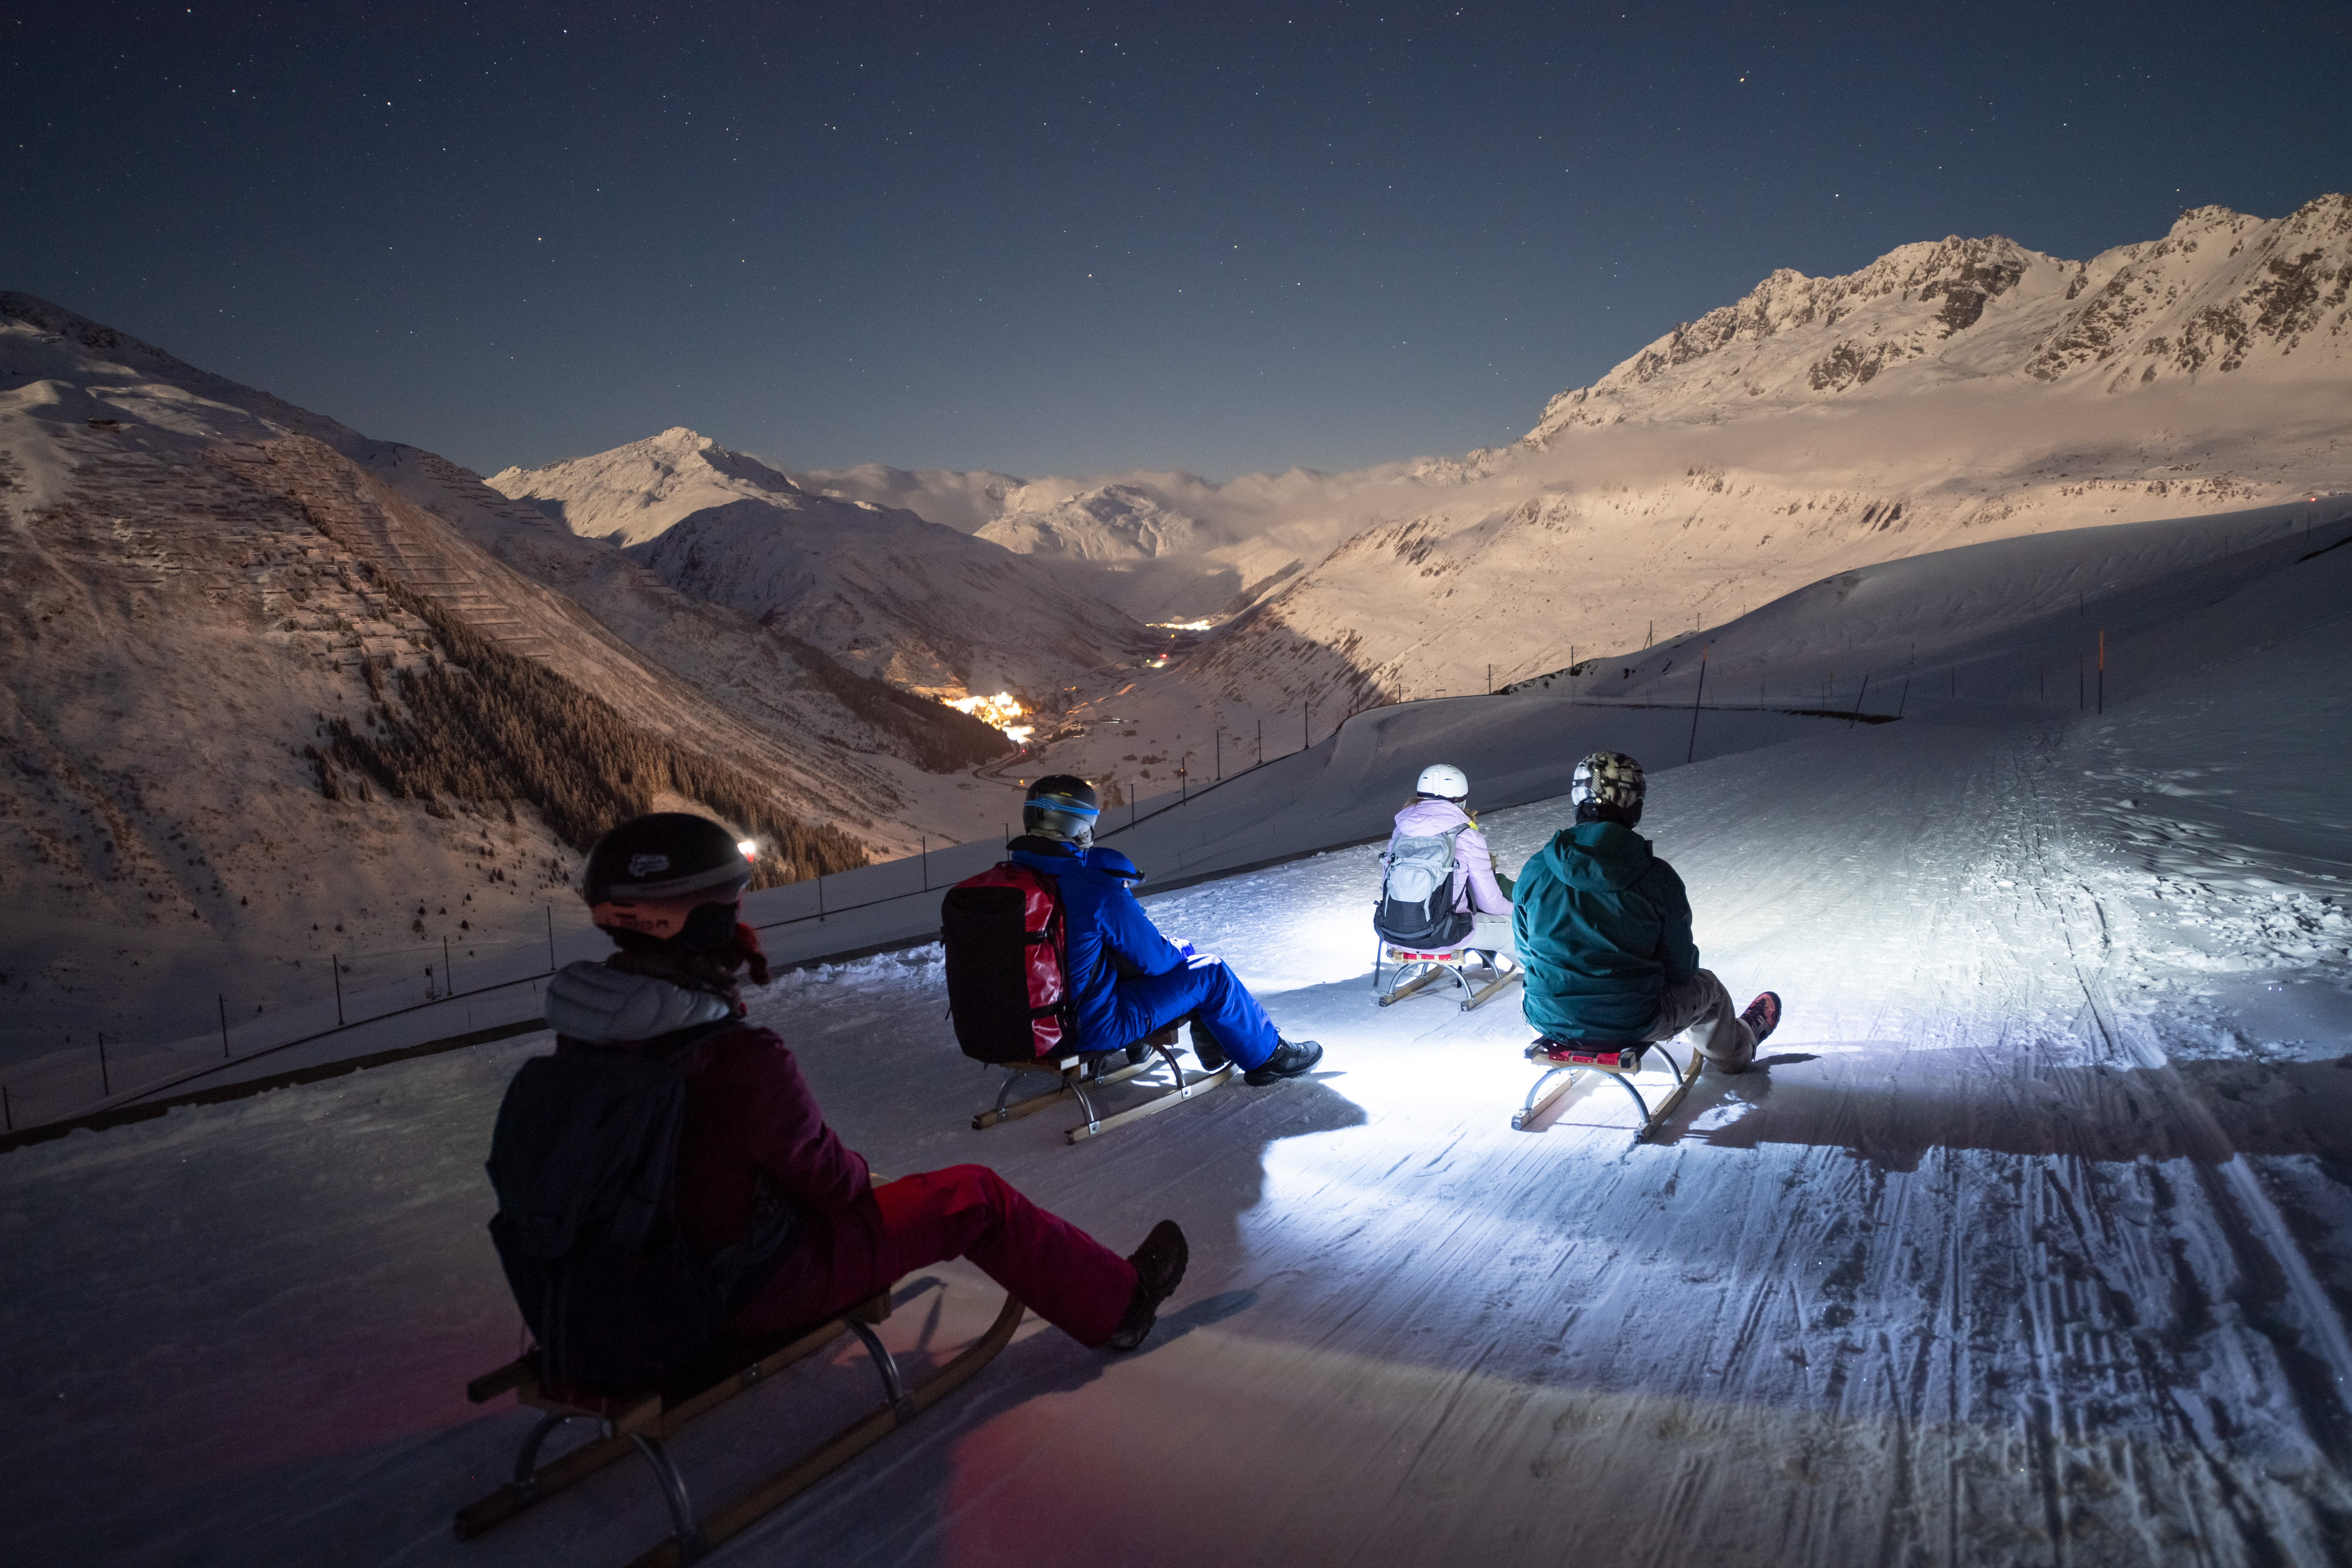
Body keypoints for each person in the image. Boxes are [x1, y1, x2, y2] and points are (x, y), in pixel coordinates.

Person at [540, 812, 1189, 1355]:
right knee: (976, 1196)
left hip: (618, 1292)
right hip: (746, 1287)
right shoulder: (737, 1057)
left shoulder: (585, 1044)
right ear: (706, 923)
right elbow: (834, 1186)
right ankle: (1120, 1305)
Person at [1008, 776, 1323, 1083]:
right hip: (1086, 1028)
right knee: (1210, 973)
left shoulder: (1002, 885)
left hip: (1014, 1028)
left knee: (1101, 967)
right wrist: (1183, 948)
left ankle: (1162, 1047)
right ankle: (1269, 1058)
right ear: (1078, 826)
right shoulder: (1093, 887)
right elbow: (1155, 960)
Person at [1511, 752, 1780, 1073]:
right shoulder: (1657, 877)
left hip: (1545, 1016)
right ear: (1635, 806)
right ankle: (1736, 1051)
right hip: (1635, 1020)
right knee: (1710, 988)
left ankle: (1579, 1027)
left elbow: (1527, 956)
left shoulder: (1536, 869)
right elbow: (1682, 970)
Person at [1386, 762, 1518, 965]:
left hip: (1393, 932)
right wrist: (1517, 911)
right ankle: (1544, 977)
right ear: (1461, 800)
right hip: (1445, 934)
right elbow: (1490, 903)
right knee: (1511, 929)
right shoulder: (1466, 835)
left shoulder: (1401, 831)